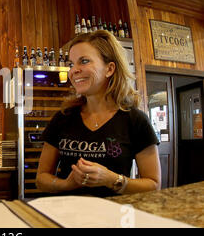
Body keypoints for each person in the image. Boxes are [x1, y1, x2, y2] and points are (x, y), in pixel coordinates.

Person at [36, 30, 161, 197]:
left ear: (109, 69)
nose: (73, 71)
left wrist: (112, 179)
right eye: (71, 64)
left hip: (114, 217)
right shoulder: (63, 117)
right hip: (68, 216)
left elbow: (153, 185)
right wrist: (67, 184)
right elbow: (41, 179)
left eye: (84, 61)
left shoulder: (135, 120)